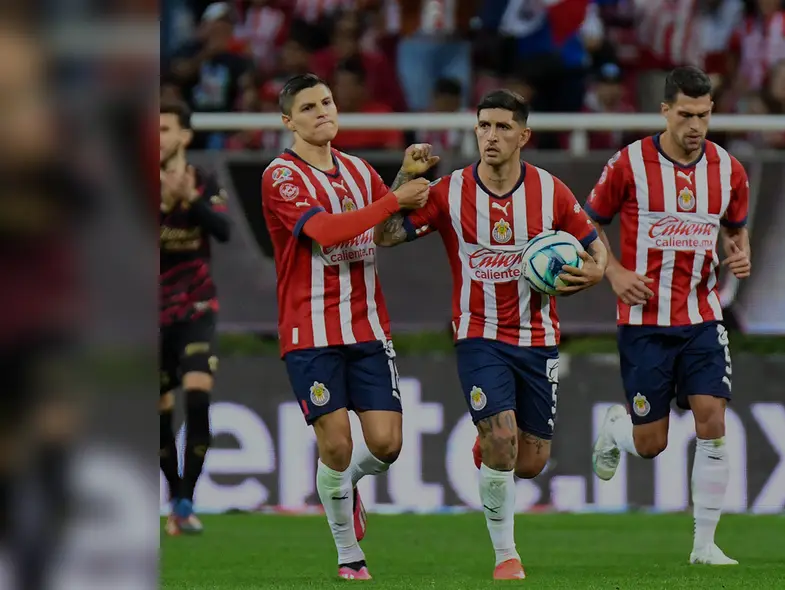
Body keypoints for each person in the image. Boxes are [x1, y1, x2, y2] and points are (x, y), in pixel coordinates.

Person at [375, 89, 609, 580]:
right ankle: (507, 557)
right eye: (484, 126)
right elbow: (386, 234)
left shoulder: (551, 191)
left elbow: (593, 245)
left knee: (529, 463)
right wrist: (404, 179)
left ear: (523, 135)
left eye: (503, 127)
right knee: (502, 438)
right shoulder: (448, 190)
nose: (491, 135)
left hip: (538, 336)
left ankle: (491, 448)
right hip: (477, 335)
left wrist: (596, 271)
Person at [259, 73, 434, 581]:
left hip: (367, 328)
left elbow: (386, 231)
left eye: (328, 101)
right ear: (288, 120)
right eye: (309, 107)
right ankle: (348, 556)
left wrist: (403, 178)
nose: (322, 112)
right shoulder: (281, 176)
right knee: (334, 445)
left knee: (386, 445)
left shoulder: (359, 171)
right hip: (308, 330)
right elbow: (323, 230)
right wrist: (392, 200)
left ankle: (349, 485)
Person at [585, 66, 752, 566]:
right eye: (685, 114)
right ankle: (618, 429)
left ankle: (704, 545)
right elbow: (585, 224)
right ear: (664, 111)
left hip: (702, 316)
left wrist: (741, 253)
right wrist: (612, 272)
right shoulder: (629, 163)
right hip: (644, 323)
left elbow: (736, 231)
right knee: (651, 443)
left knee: (712, 418)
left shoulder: (729, 170)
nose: (695, 125)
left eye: (703, 114)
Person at [159, 98, 232, 535]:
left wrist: (191, 200)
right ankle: (176, 497)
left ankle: (186, 499)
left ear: (184, 136)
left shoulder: (203, 181)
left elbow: (223, 231)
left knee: (198, 393)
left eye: (164, 129)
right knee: (160, 412)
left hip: (197, 305)